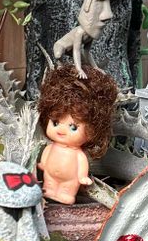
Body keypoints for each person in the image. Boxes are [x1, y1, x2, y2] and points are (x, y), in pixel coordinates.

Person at [37, 65, 118, 205]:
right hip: (49, 176)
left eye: (73, 127)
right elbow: (46, 154)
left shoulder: (78, 154)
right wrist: (43, 163)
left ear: (93, 130)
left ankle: (65, 193)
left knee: (67, 189)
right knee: (48, 185)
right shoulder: (51, 147)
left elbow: (81, 165)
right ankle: (49, 189)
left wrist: (81, 177)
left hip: (69, 180)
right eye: (55, 122)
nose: (61, 130)